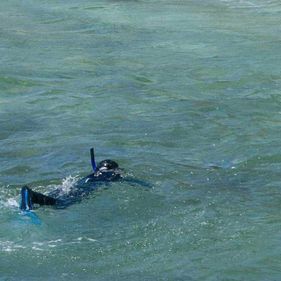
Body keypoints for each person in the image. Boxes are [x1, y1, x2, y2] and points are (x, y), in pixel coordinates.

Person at [20, 148, 123, 210]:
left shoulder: (93, 175)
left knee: (54, 199)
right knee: (61, 204)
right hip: (78, 191)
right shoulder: (110, 174)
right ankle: (30, 194)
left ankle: (30, 199)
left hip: (70, 187)